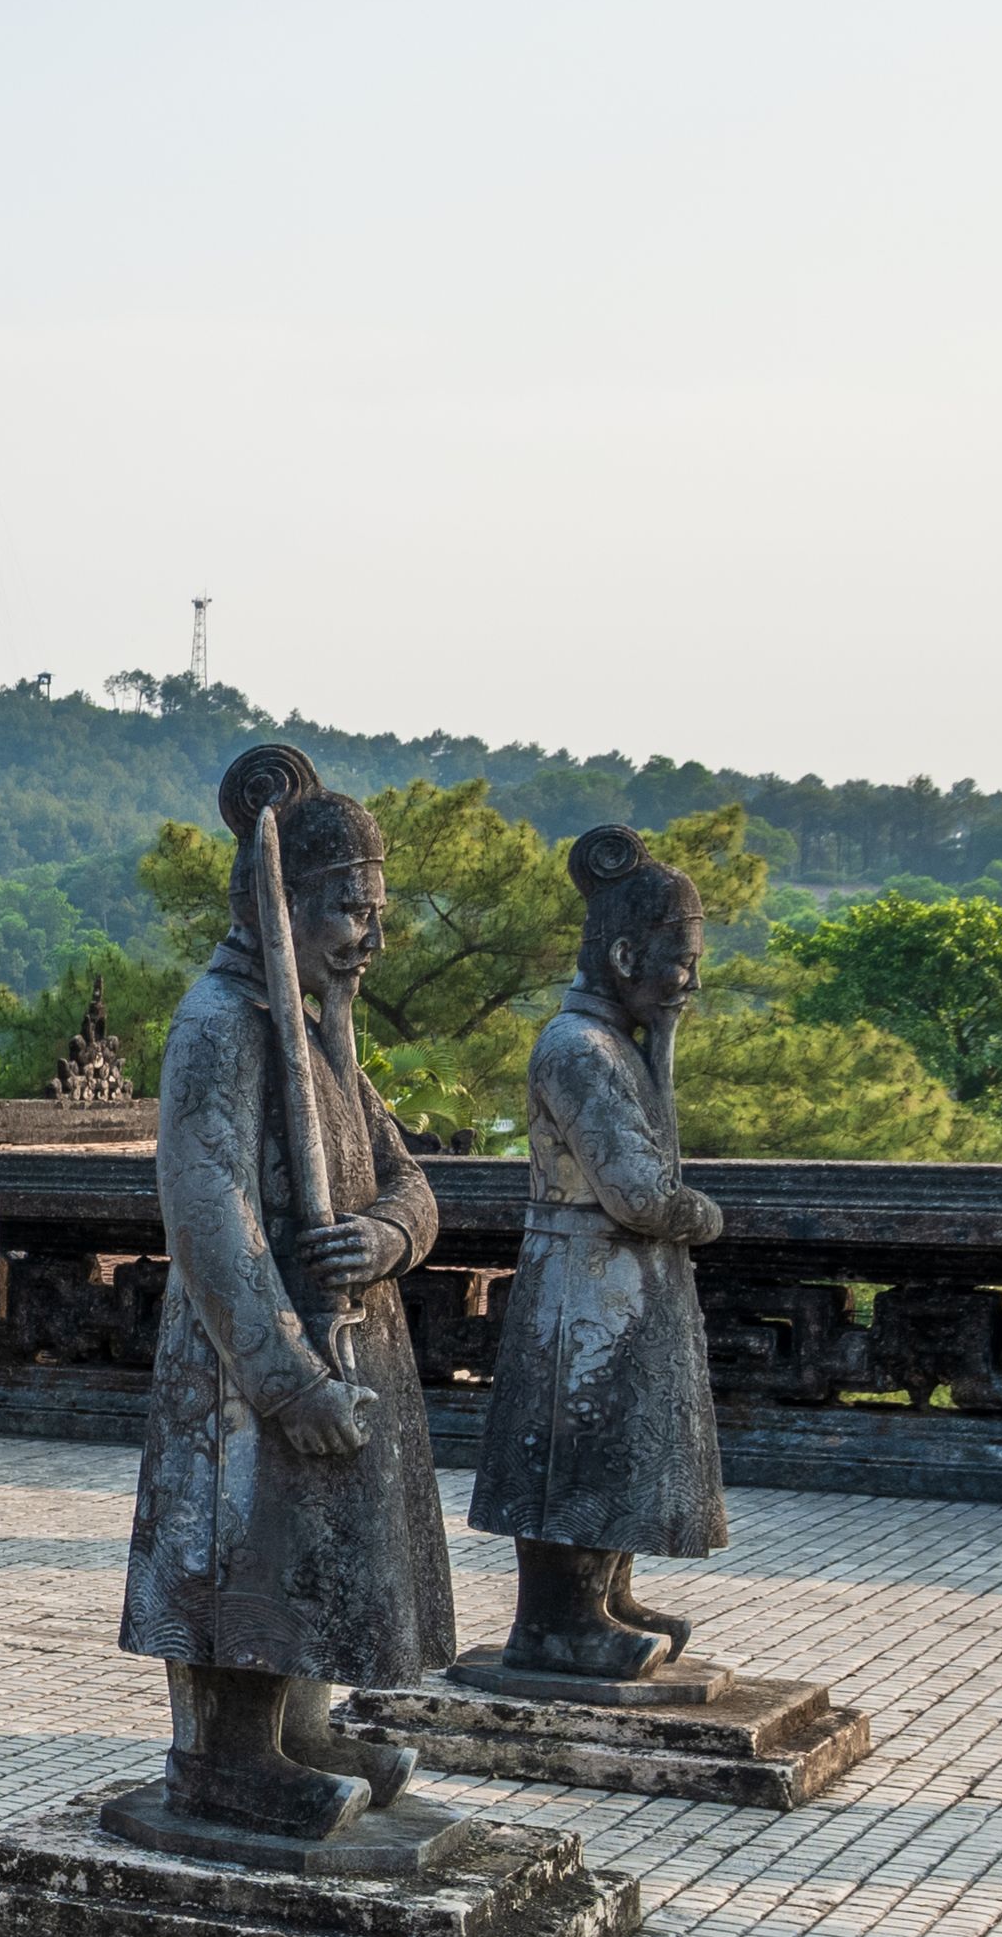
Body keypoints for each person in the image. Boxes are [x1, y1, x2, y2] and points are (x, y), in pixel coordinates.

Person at [119, 752, 459, 1840]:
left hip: (343, 1330)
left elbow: (410, 1179)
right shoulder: (222, 1022)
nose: (372, 935)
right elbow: (208, 1212)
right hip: (246, 1356)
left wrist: (387, 1235)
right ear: (285, 903)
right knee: (243, 1543)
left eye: (377, 910)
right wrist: (287, 1378)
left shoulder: (314, 1033)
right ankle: (224, 1756)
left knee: (315, 1537)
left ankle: (298, 1730)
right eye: (352, 909)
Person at [473, 831, 728, 1678]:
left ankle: (606, 1597)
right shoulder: (578, 1049)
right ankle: (558, 1620)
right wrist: (703, 1216)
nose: (691, 980)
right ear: (624, 956)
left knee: (622, 1439)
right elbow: (640, 1194)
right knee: (577, 1445)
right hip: (583, 1286)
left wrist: (663, 1041)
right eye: (682, 961)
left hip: (621, 1280)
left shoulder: (618, 1044)